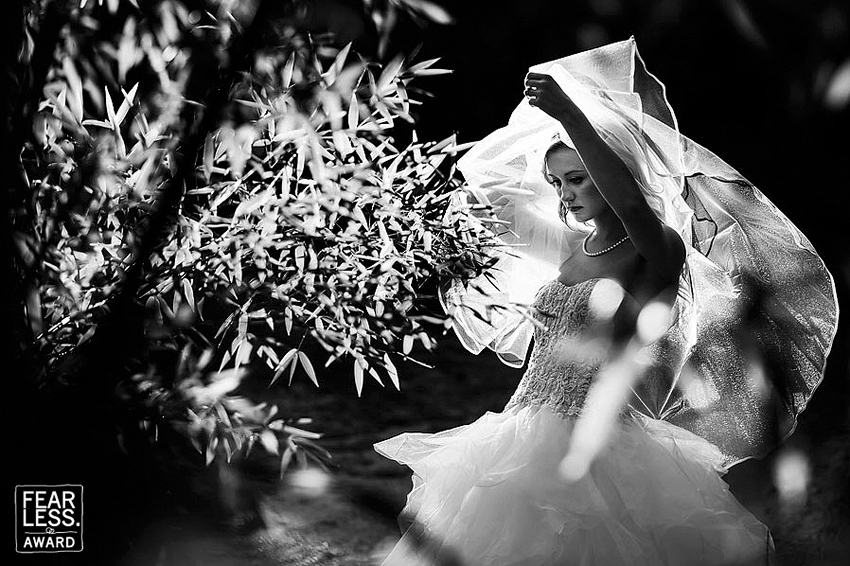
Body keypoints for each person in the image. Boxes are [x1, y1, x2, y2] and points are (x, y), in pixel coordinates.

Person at [374, 38, 838, 566]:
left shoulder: (658, 249)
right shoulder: (576, 246)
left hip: (599, 441)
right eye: (557, 182)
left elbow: (633, 206)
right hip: (521, 429)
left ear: (614, 173)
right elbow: (489, 202)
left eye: (577, 179)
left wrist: (572, 115)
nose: (565, 193)